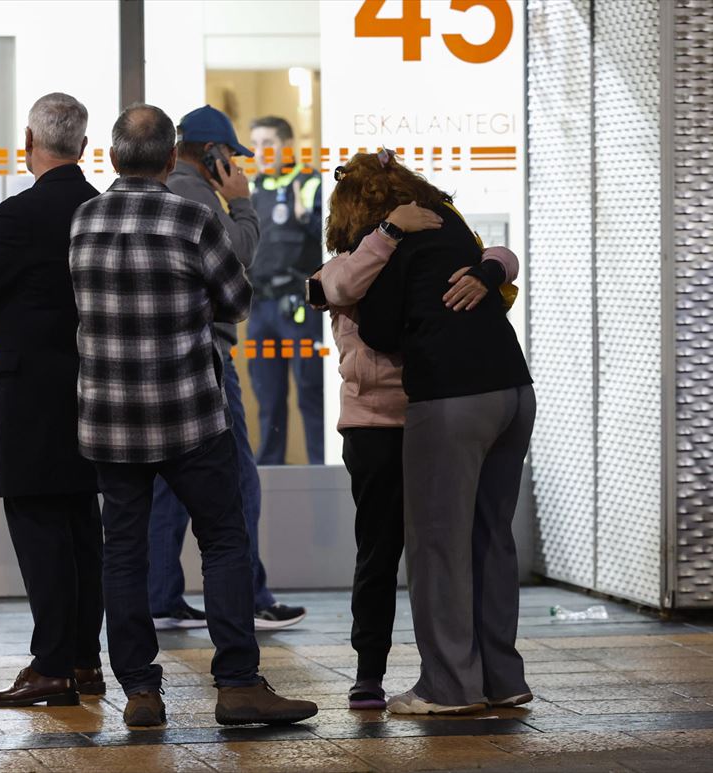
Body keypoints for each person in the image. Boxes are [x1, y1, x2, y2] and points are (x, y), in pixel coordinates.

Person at [69, 103, 318, 729]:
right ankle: (237, 683)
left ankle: (140, 693)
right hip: (187, 413)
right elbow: (235, 302)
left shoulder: (84, 221)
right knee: (224, 539)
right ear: (171, 155)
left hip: (111, 418)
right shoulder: (190, 219)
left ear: (113, 156)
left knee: (121, 551)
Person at [342, 150, 535, 715]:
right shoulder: (451, 223)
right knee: (490, 537)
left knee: (437, 544)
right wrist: (488, 271)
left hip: (451, 399)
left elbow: (375, 328)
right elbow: (500, 256)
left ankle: (448, 687)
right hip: (512, 388)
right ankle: (503, 678)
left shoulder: (387, 245)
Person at [0, 92, 105, 708]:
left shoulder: (21, 213)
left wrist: (0, 303)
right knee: (83, 528)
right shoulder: (99, 207)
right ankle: (87, 662)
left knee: (38, 524)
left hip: (31, 391)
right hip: (94, 388)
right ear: (84, 148)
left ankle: (51, 666)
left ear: (28, 144)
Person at [148, 105, 306, 632]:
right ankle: (252, 597)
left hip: (165, 358)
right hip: (207, 357)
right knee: (239, 478)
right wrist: (244, 204)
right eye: (230, 156)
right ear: (211, 153)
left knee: (169, 483)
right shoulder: (195, 194)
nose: (236, 166)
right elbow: (237, 261)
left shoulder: (163, 191)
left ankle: (162, 596)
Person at [246, 115, 324, 464]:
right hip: (260, 307)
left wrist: (305, 215)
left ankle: (322, 469)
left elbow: (332, 243)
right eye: (256, 145)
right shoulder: (251, 188)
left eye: (268, 144)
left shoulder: (308, 183)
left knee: (311, 393)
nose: (261, 152)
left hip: (299, 306)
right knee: (268, 398)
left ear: (287, 146)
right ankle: (270, 474)